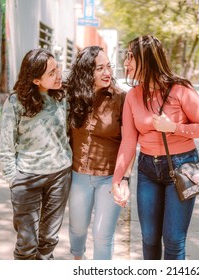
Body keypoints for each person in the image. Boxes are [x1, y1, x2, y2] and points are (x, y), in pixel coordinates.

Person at [112, 35, 199, 260]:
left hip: (182, 166)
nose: (126, 63)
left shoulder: (181, 90)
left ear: (146, 60)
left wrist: (173, 127)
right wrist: (118, 180)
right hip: (147, 168)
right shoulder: (133, 96)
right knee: (148, 238)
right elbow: (128, 141)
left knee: (174, 241)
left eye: (130, 57)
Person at [0, 48, 72, 260]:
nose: (58, 75)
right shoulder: (15, 102)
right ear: (36, 80)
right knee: (27, 243)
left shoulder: (62, 96)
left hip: (59, 176)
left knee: (48, 240)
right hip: (27, 177)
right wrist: (13, 179)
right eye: (51, 73)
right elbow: (6, 144)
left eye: (58, 68)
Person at [64, 46, 131, 260]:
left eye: (108, 66)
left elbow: (130, 142)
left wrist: (124, 179)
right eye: (99, 68)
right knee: (78, 228)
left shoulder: (122, 99)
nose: (107, 73)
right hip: (78, 175)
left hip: (110, 177)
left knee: (102, 235)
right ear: (86, 72)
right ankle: (77, 260)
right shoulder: (72, 96)